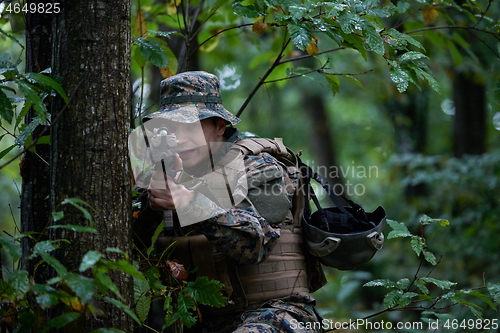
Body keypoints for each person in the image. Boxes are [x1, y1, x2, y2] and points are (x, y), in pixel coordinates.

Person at [132, 71, 326, 333]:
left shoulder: (258, 167)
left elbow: (256, 245)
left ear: (220, 126)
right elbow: (127, 249)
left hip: (276, 312)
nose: (179, 139)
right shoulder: (161, 175)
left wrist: (190, 202)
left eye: (191, 127)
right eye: (171, 128)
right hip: (198, 321)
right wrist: (151, 209)